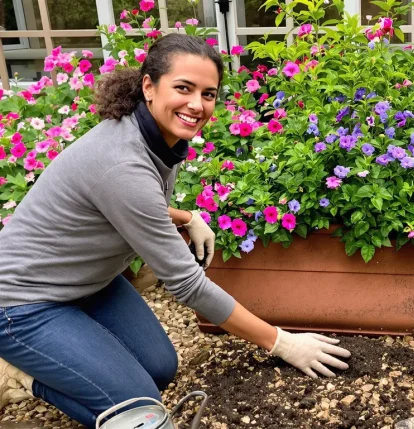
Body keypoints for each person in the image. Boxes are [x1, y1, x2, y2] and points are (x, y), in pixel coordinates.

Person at [0, 33, 351, 428]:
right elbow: (187, 286)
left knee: (160, 367)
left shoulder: (155, 138)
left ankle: (67, 366)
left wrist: (186, 217)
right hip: (23, 304)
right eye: (183, 88)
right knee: (142, 411)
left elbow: (127, 203)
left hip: (88, 284)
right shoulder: (122, 162)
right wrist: (282, 342)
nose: (196, 105)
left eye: (209, 93)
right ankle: (32, 379)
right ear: (148, 86)